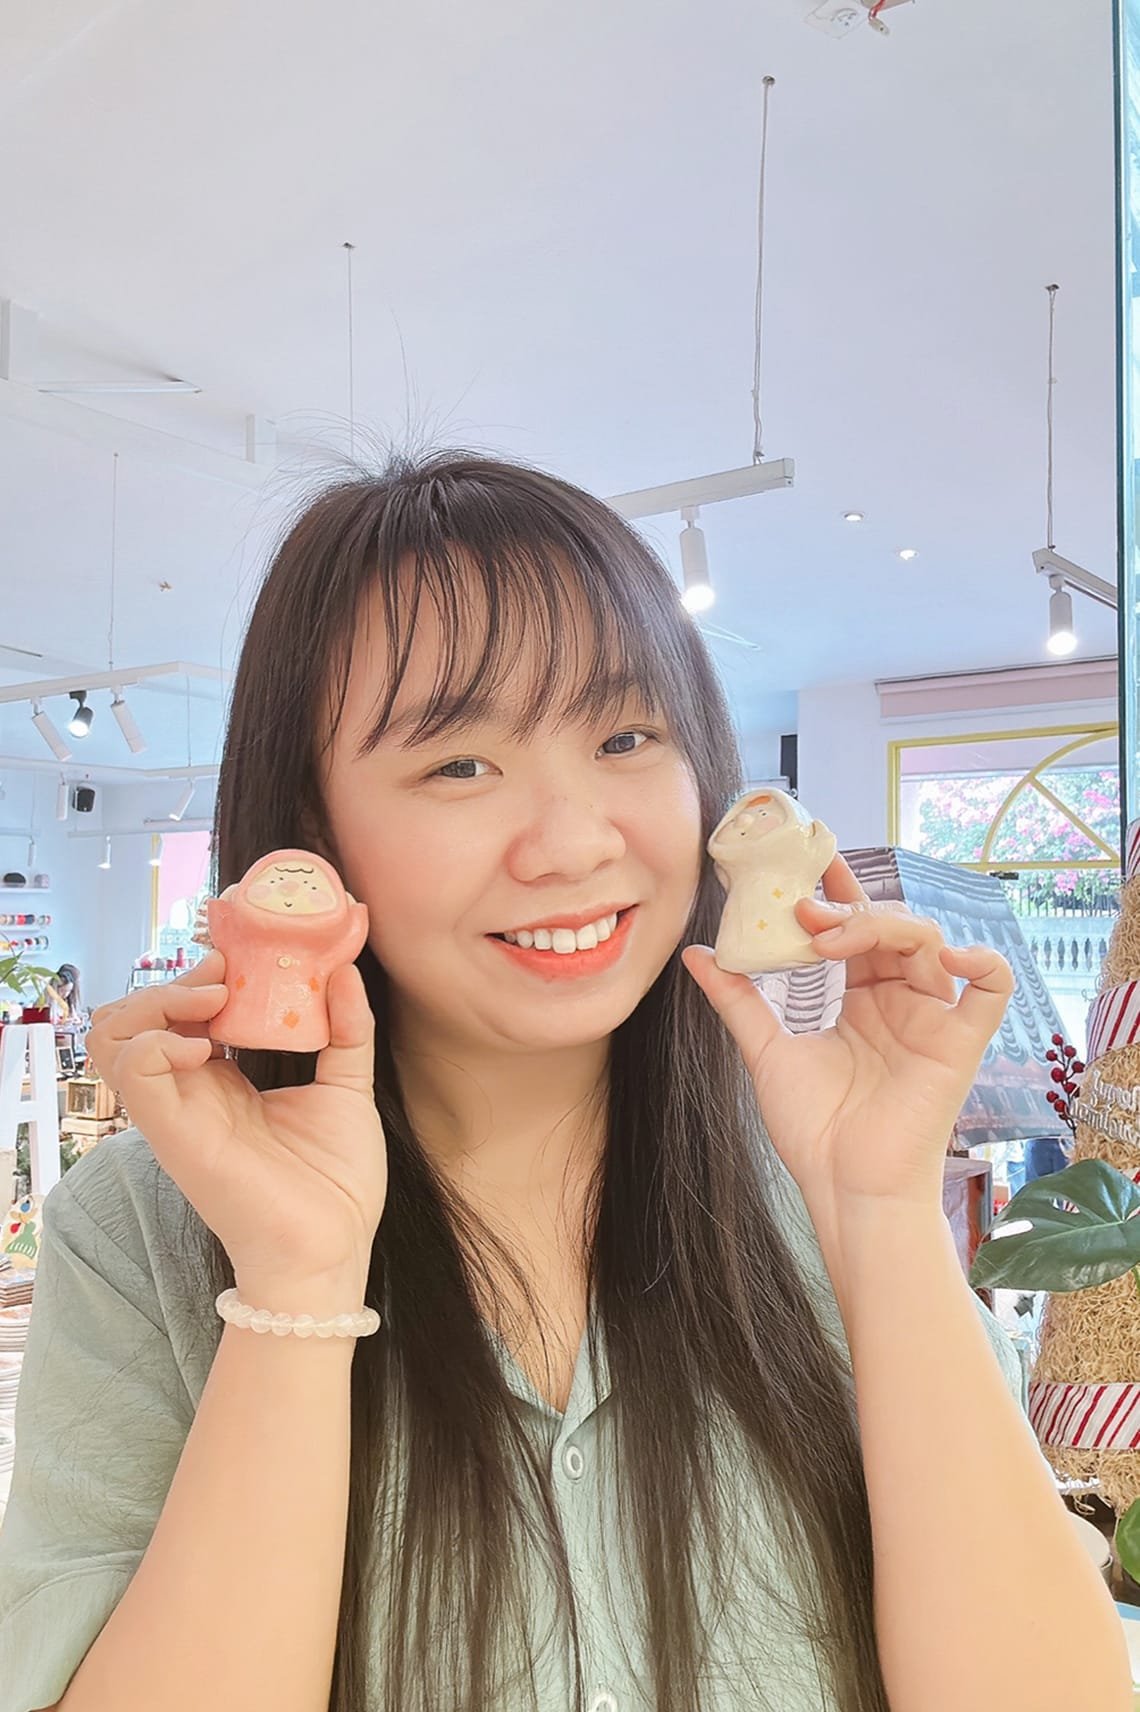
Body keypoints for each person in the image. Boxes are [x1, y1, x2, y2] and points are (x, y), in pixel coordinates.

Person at [0, 453, 1129, 1712]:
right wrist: (295, 1287)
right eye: (459, 764)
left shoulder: (817, 1196)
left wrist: (879, 1214)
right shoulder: (144, 1232)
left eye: (626, 737)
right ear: (310, 833)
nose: (578, 842)